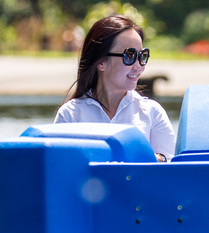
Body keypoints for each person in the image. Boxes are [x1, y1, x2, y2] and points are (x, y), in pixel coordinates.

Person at [54, 15, 176, 160]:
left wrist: (154, 158)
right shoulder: (70, 115)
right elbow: (60, 170)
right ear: (101, 62)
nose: (138, 66)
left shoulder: (152, 113)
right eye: (130, 56)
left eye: (142, 56)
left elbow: (170, 168)